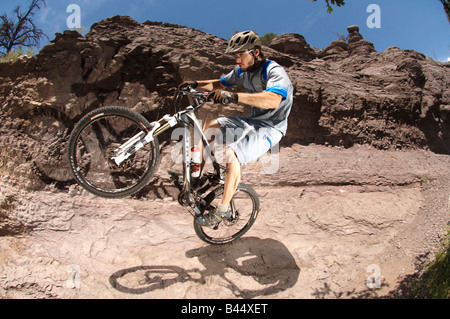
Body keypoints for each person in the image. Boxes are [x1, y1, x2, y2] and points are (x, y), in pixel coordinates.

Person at [180, 30, 293, 226]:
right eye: (235, 55)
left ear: (256, 52)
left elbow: (273, 100)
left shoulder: (274, 71)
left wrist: (234, 96)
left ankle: (223, 210)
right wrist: (195, 84)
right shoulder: (241, 72)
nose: (237, 59)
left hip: (271, 128)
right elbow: (219, 83)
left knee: (233, 155)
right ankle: (196, 180)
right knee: (209, 126)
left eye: (241, 54)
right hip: (252, 121)